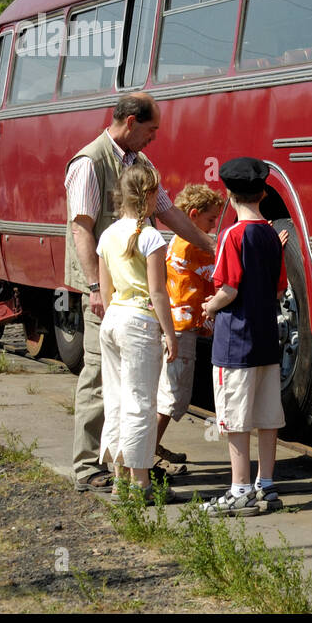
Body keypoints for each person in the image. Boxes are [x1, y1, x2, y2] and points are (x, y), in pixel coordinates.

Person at [65, 92, 213, 493]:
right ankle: (87, 466)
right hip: (105, 292)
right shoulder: (89, 162)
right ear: (131, 123)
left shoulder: (140, 164)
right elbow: (81, 228)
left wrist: (210, 242)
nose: (154, 138)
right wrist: (96, 286)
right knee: (101, 381)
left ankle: (125, 469)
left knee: (127, 388)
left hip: (126, 299)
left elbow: (169, 211)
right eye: (151, 130)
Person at [200, 158, 287, 517]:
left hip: (236, 342)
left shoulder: (231, 236)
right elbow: (280, 291)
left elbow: (229, 289)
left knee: (236, 419)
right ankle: (266, 486)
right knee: (267, 417)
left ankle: (239, 490)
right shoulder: (271, 235)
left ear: (229, 194)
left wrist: (209, 307)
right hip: (268, 341)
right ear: (264, 193)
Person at [96, 163, 179, 503]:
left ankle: (119, 480)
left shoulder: (107, 235)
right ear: (148, 196)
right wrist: (170, 334)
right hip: (139, 323)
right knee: (141, 403)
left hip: (113, 320)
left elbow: (105, 291)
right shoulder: (152, 238)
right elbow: (159, 293)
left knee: (115, 400)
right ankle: (142, 483)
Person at [154, 183, 224, 470]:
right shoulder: (194, 245)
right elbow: (222, 266)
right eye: (210, 220)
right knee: (172, 393)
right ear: (193, 215)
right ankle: (148, 454)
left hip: (174, 324)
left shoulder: (177, 240)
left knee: (165, 390)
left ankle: (151, 446)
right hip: (180, 330)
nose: (213, 226)